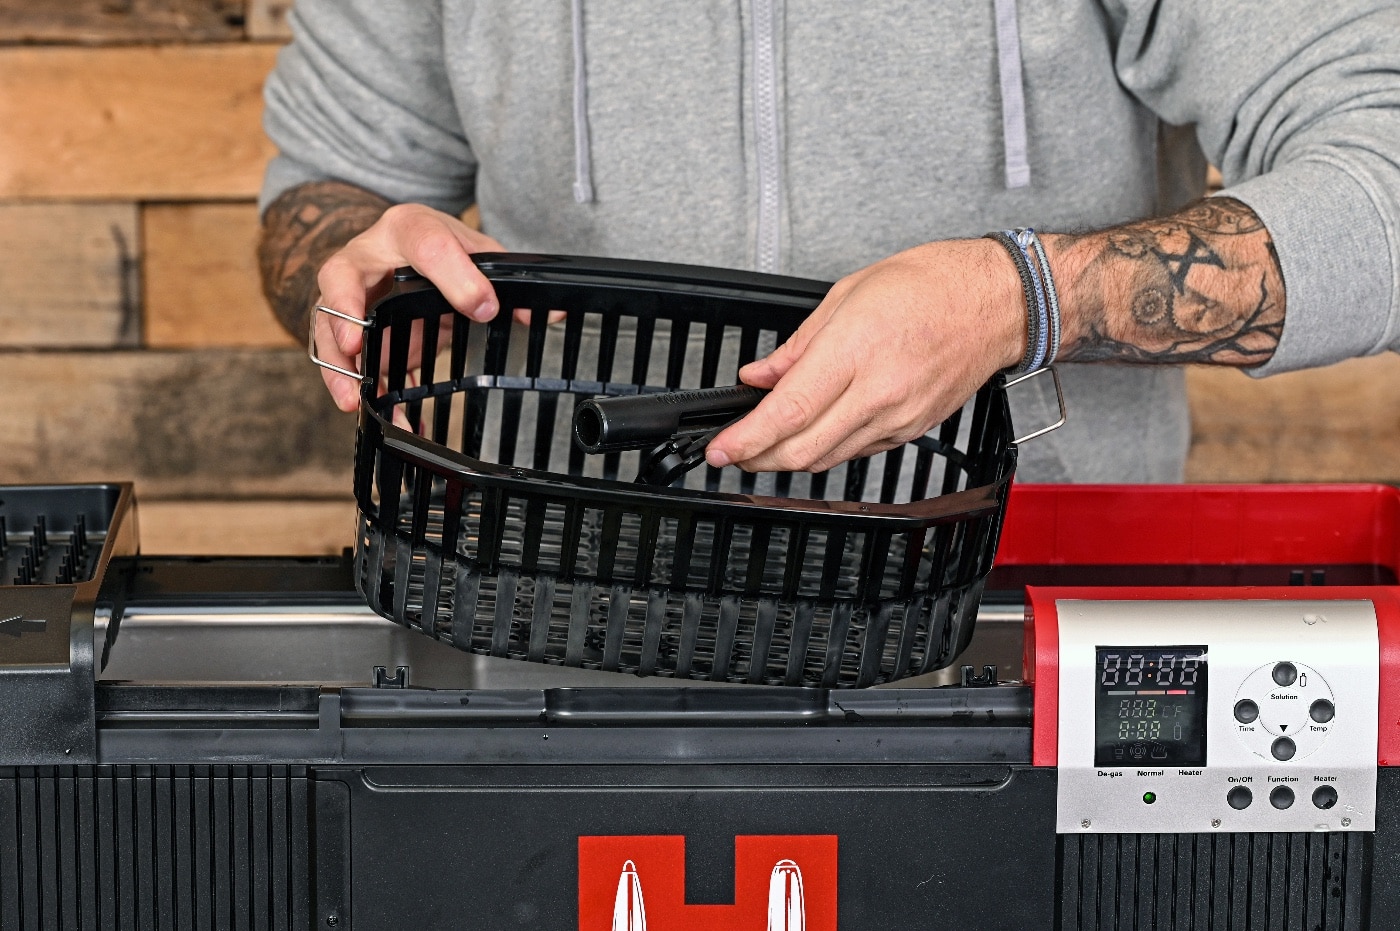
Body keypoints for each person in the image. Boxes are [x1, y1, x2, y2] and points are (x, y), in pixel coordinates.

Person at [257, 0, 1400, 483]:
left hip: (1022, 611)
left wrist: (1018, 298)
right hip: (560, 593)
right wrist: (359, 253)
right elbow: (323, 196)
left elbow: (1383, 191)